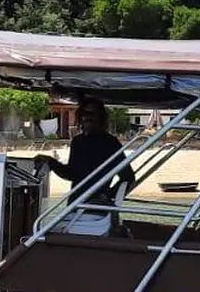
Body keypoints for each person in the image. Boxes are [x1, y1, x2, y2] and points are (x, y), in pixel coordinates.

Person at [40, 98, 136, 228]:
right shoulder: (77, 142)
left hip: (96, 210)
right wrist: (51, 162)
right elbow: (72, 174)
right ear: (80, 116)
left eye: (92, 114)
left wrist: (106, 196)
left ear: (100, 117)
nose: (87, 117)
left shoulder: (110, 143)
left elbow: (128, 178)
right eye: (85, 113)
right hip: (75, 205)